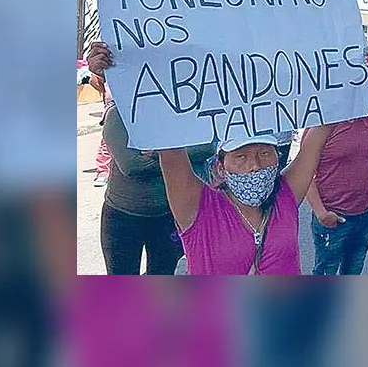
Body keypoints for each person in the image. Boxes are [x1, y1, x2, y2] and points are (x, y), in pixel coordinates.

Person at [87, 41, 334, 275]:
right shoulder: (198, 207)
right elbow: (168, 146)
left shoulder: (286, 196)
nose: (254, 165)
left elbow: (321, 130)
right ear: (220, 166)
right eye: (241, 156)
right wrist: (119, 71)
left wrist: (352, 73)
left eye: (264, 153)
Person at [100, 105, 214, 274]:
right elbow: (132, 166)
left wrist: (156, 153)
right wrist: (176, 155)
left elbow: (207, 148)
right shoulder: (118, 114)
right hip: (123, 215)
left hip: (168, 215)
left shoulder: (181, 110)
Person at [303, 112, 368, 275]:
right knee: (325, 272)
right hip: (333, 218)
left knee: (354, 270)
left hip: (365, 215)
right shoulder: (320, 126)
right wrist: (321, 213)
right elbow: (306, 173)